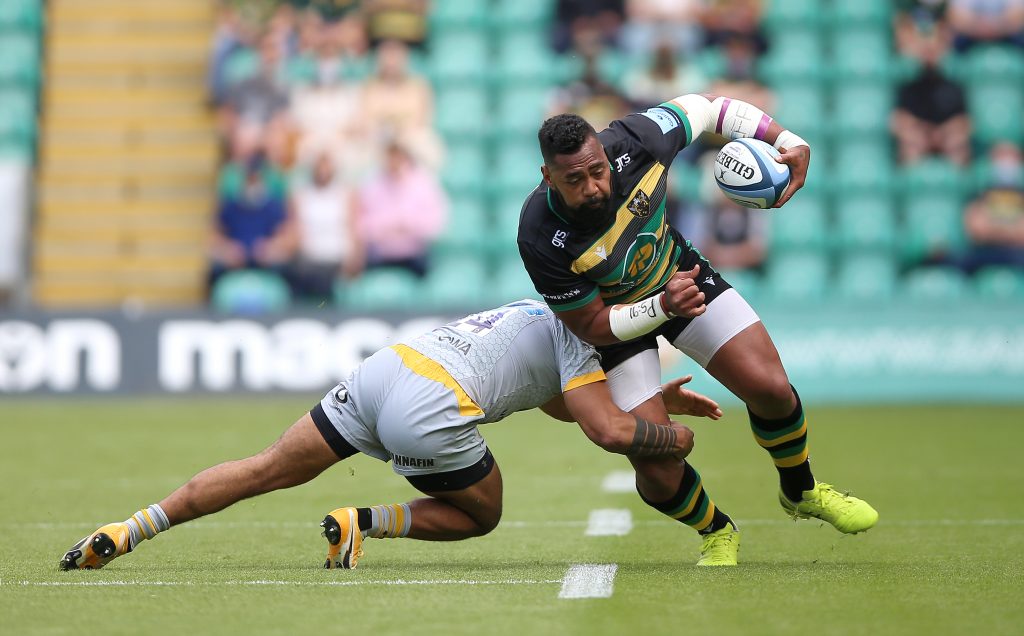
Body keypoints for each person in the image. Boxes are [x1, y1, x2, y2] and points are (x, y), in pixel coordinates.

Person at [58, 299, 723, 571]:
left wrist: (659, 398)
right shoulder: (587, 337)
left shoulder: (541, 308)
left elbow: (552, 399)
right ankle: (365, 521)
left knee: (263, 467)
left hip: (386, 371)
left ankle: (128, 529)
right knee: (483, 514)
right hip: (432, 402)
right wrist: (669, 439)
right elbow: (604, 428)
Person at [517, 93, 878, 564]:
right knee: (654, 461)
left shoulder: (638, 139)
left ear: (606, 154)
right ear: (549, 177)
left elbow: (710, 109)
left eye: (598, 170)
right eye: (574, 179)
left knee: (770, 387)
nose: (592, 187)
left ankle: (802, 490)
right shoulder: (539, 233)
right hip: (615, 329)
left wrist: (788, 140)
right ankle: (716, 529)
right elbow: (592, 324)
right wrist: (662, 307)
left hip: (679, 277)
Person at [356, 139, 447, 278]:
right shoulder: (371, 183)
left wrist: (408, 225)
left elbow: (436, 224)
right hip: (380, 252)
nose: (394, 163)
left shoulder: (424, 183)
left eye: (398, 158)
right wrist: (387, 227)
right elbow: (359, 222)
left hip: (414, 253)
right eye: (390, 158)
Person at [891, 34, 972, 166]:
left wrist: (943, 133)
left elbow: (965, 121)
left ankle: (958, 181)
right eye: (925, 52)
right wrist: (923, 132)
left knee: (957, 143)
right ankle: (913, 182)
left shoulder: (953, 86)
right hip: (921, 137)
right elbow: (898, 120)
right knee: (911, 145)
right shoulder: (908, 87)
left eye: (932, 51)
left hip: (945, 137)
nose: (929, 57)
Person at [952, 142, 1024, 272]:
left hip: (1018, 254)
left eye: (1010, 158)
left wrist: (994, 229)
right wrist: (1009, 231)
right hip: (984, 253)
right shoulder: (979, 191)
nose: (1005, 164)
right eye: (1000, 157)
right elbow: (976, 229)